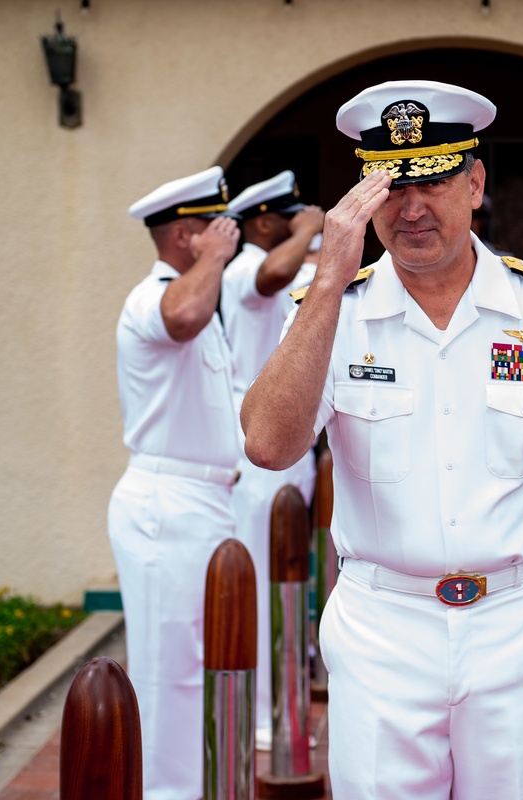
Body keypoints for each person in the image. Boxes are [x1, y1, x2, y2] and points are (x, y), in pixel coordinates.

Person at [241, 79, 523, 799]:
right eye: (391, 188)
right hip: (382, 632)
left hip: (516, 632)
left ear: (476, 183)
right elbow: (268, 445)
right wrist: (329, 280)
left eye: (433, 181)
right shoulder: (334, 313)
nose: (412, 208)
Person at [108, 166, 241, 800]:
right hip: (168, 503)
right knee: (167, 676)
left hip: (204, 501)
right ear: (190, 235)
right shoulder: (157, 296)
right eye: (218, 227)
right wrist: (214, 260)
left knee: (194, 669)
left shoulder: (196, 294)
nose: (231, 235)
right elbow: (182, 315)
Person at [221, 170, 325, 749]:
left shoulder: (270, 269)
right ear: (264, 222)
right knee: (261, 581)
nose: (300, 222)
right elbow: (278, 272)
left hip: (291, 443)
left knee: (287, 575)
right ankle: (259, 713)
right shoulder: (244, 270)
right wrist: (312, 226)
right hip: (257, 445)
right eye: (289, 217)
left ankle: (282, 694)